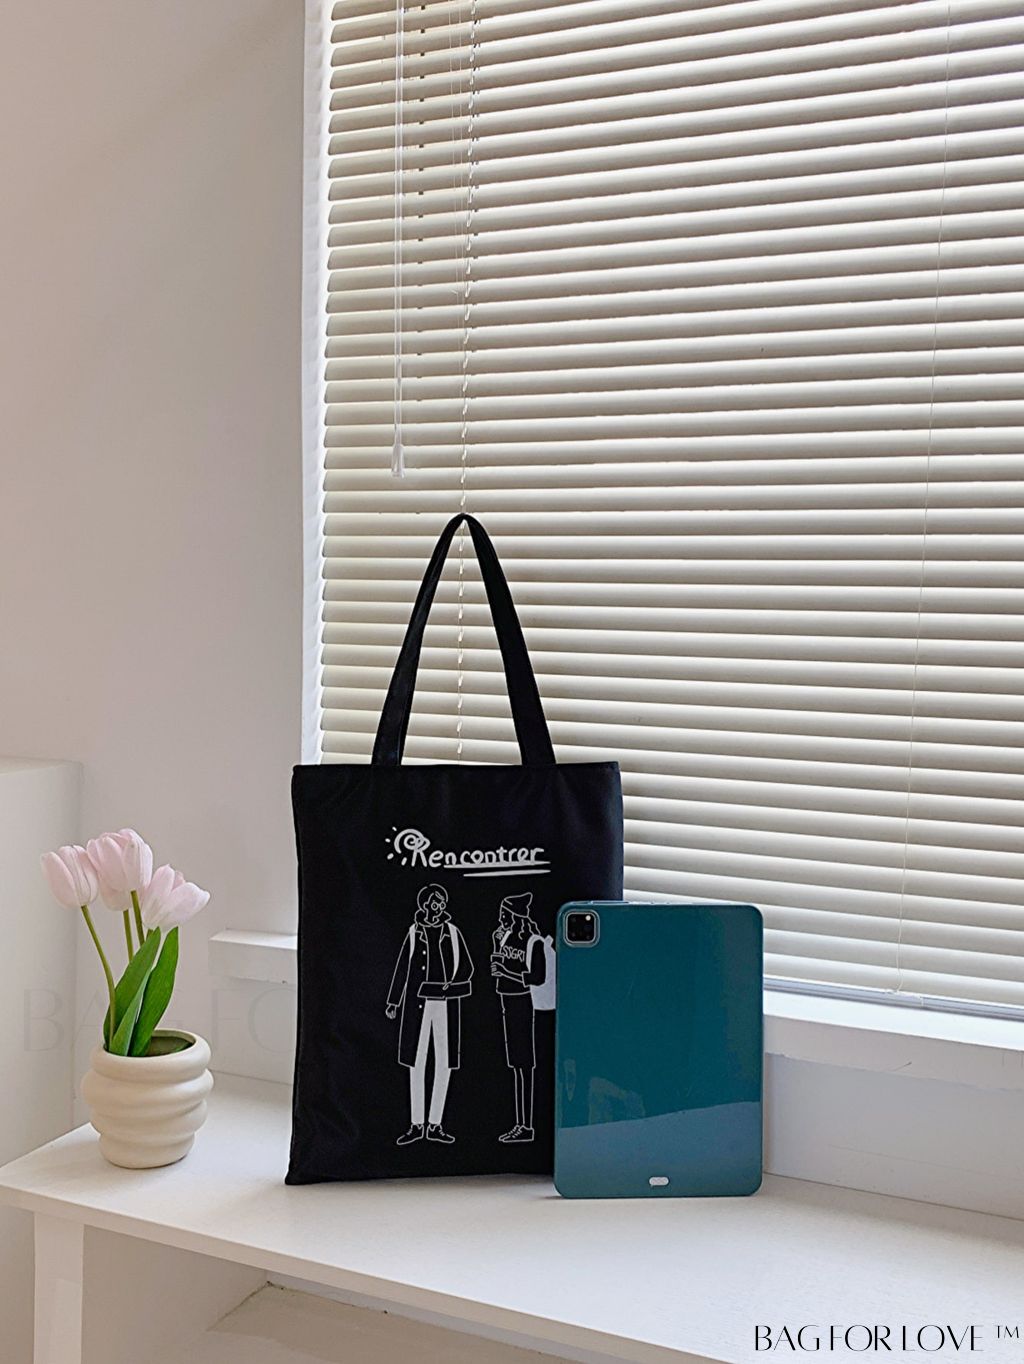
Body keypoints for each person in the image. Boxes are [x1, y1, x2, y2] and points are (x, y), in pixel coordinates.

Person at [386, 883, 474, 1146]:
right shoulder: (414, 933)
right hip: (418, 1004)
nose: (439, 907)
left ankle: (435, 1125)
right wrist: (394, 1002)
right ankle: (416, 1124)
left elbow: (467, 966)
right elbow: (402, 968)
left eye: (442, 903)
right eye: (435, 902)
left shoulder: (453, 932)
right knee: (417, 1062)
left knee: (444, 1064)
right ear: (425, 905)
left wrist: (452, 984)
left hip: (446, 1004)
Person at [490, 891, 545, 1143]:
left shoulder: (534, 941)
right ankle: (520, 1123)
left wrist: (506, 971)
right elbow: (497, 968)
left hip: (525, 1004)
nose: (501, 918)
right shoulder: (504, 937)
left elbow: (537, 977)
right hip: (507, 1003)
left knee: (525, 1065)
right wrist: (497, 945)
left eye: (505, 914)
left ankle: (526, 1125)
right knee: (516, 1066)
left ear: (515, 915)